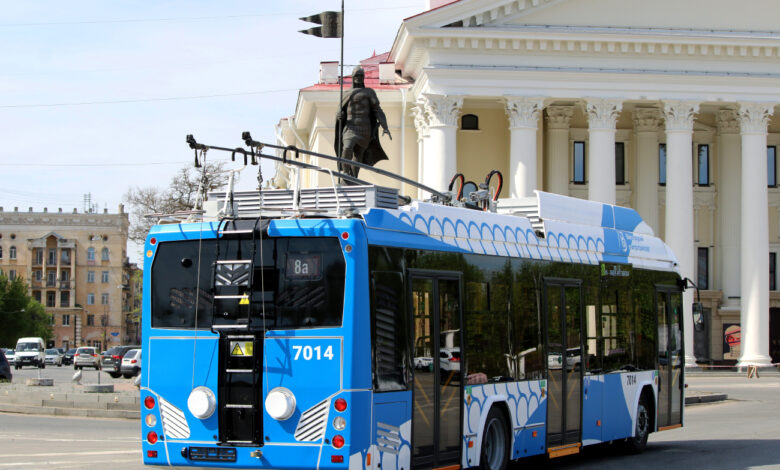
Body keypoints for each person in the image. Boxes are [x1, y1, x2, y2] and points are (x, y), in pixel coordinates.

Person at [334, 67, 392, 183]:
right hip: (350, 127)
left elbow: (377, 110)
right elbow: (340, 111)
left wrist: (385, 126)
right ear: (352, 78)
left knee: (359, 154)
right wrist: (339, 115)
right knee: (347, 147)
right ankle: (346, 173)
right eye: (357, 76)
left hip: (364, 127)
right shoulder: (347, 94)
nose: (359, 78)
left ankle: (353, 177)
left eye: (361, 76)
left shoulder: (369, 92)